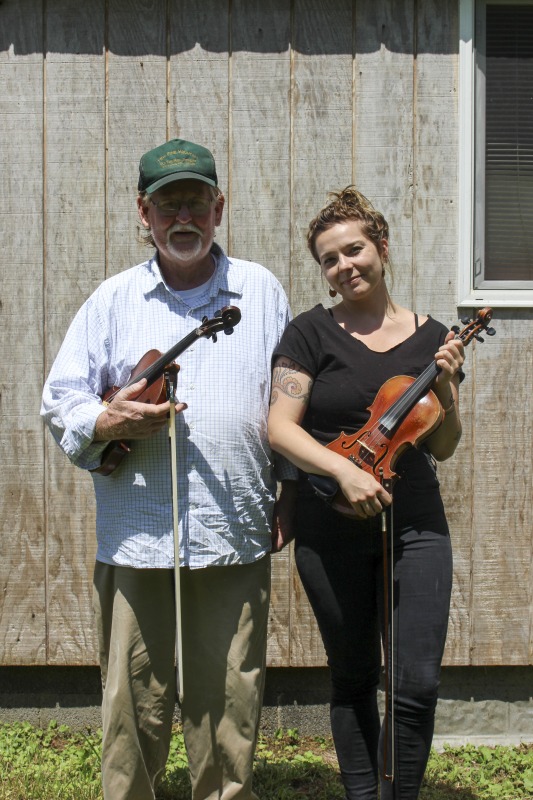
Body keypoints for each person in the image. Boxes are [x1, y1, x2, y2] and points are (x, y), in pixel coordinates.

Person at [41, 138, 296, 800]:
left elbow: (292, 401)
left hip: (234, 527)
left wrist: (290, 492)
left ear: (218, 207)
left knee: (229, 700)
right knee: (132, 705)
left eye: (194, 202)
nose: (181, 217)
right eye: (166, 204)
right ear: (142, 212)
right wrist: (108, 421)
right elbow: (60, 400)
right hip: (137, 536)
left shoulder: (261, 291)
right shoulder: (112, 300)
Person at [267, 187, 465, 800]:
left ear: (381, 247)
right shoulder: (309, 334)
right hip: (331, 520)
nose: (344, 265)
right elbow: (279, 426)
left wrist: (449, 391)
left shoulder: (431, 337)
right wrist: (344, 471)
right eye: (330, 259)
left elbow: (442, 445)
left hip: (415, 522)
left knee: (417, 682)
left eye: (354, 250)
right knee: (353, 677)